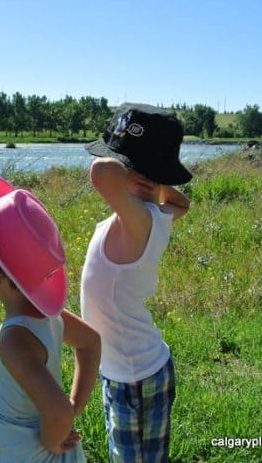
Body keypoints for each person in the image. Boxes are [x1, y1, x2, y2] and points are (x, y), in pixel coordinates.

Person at [0, 172, 101, 462]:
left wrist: (53, 437)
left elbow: (58, 411)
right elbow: (90, 342)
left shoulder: (15, 340)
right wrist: (75, 405)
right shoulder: (47, 313)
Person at [80, 103, 192, 462]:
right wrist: (155, 182)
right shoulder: (156, 215)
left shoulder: (140, 220)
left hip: (136, 378)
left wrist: (135, 169)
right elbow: (182, 203)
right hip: (123, 371)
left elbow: (101, 172)